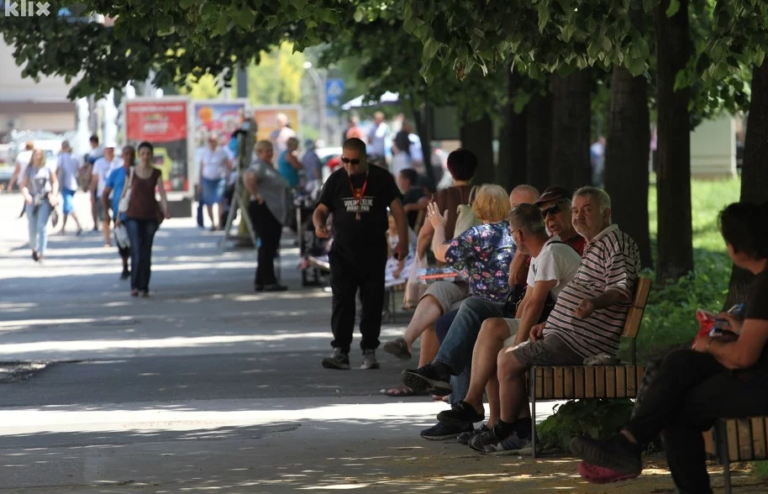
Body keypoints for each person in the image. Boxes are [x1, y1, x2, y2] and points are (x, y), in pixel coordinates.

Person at [570, 201, 768, 490]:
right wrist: (740, 327)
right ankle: (627, 442)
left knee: (676, 409)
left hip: (758, 384)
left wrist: (709, 344)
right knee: (679, 362)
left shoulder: (764, 284)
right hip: (756, 377)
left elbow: (743, 357)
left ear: (735, 248)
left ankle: (628, 443)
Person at [465, 187, 640, 453]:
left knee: (507, 358)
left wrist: (594, 304)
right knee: (504, 353)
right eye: (577, 211)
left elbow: (620, 288)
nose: (579, 216)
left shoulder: (616, 243)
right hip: (571, 334)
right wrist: (549, 323)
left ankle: (506, 428)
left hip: (584, 342)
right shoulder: (595, 244)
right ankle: (516, 431)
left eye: (587, 210)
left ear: (607, 212)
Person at [433, 204, 582, 440]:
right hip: (556, 325)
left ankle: (509, 427)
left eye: (512, 232)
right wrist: (511, 327)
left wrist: (518, 343)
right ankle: (475, 403)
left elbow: (535, 305)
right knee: (491, 327)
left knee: (500, 347)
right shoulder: (541, 254)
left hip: (572, 334)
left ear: (519, 234)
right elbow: (527, 303)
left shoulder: (552, 253)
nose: (512, 238)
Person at [382, 185, 515, 390]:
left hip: (487, 304)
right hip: (508, 300)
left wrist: (438, 226)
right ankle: (439, 374)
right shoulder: (513, 232)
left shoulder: (478, 234)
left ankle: (451, 385)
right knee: (444, 314)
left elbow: (440, 253)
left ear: (477, 208)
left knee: (445, 322)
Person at [313, 137, 408, 371]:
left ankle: (369, 350)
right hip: (343, 252)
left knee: (372, 302)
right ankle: (340, 352)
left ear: (365, 158)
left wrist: (403, 244)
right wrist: (319, 224)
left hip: (373, 250)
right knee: (342, 302)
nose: (349, 166)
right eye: (345, 160)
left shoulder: (381, 178)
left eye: (354, 161)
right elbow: (321, 209)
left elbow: (398, 211)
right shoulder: (336, 179)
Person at [116, 141, 170, 298]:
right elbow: (124, 193)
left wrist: (166, 209)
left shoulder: (156, 173)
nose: (145, 157)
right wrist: (119, 216)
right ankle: (134, 286)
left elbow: (162, 193)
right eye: (142, 154)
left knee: (146, 252)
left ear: (151, 155)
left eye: (148, 154)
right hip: (132, 216)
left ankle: (144, 286)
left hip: (150, 217)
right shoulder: (131, 172)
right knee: (136, 250)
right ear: (139, 156)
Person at [244, 140, 290, 293]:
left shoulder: (268, 166)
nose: (269, 153)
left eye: (270, 150)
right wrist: (257, 195)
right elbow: (249, 177)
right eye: (265, 151)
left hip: (271, 210)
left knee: (268, 246)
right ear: (258, 153)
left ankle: (261, 280)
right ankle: (268, 280)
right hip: (264, 209)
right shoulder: (258, 165)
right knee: (267, 246)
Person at [103, 146, 136, 280]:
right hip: (119, 213)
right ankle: (125, 266)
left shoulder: (138, 172)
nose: (128, 156)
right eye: (126, 153)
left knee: (135, 242)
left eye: (131, 154)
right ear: (122, 156)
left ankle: (135, 266)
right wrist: (106, 213)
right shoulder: (116, 173)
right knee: (121, 241)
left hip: (136, 213)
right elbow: (105, 193)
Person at [20, 149, 58, 262]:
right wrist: (26, 195)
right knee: (32, 227)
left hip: (44, 199)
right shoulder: (29, 169)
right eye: (36, 155)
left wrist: (54, 195)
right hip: (32, 200)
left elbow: (54, 182)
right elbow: (23, 185)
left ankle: (42, 253)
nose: (37, 157)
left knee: (42, 226)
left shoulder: (48, 168)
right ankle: (34, 248)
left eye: (39, 155)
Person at [535, 186, 586, 255]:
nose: (548, 218)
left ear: (573, 208)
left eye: (554, 209)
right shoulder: (544, 245)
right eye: (543, 214)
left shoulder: (590, 243)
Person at [199, 133, 231, 231]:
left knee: (219, 201)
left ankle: (220, 224)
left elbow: (228, 166)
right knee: (209, 202)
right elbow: (201, 168)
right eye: (210, 141)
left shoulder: (222, 152)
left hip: (219, 179)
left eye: (214, 141)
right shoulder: (204, 152)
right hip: (207, 179)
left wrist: (229, 179)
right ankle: (213, 223)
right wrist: (199, 182)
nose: (212, 143)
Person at [91, 144, 121, 245]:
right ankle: (107, 240)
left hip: (116, 195)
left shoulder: (119, 162)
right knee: (104, 218)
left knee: (117, 218)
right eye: (107, 149)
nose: (109, 151)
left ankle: (119, 238)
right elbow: (94, 180)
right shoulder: (98, 163)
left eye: (111, 149)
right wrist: (92, 194)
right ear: (104, 151)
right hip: (102, 194)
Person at [56, 141, 84, 235]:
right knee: (66, 206)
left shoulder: (61, 157)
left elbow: (57, 170)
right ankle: (63, 228)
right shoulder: (76, 157)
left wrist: (55, 184)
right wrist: (82, 183)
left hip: (65, 184)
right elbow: (79, 171)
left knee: (68, 206)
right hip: (73, 185)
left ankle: (79, 225)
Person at [85, 135, 104, 232]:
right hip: (104, 180)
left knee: (93, 202)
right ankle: (104, 222)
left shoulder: (93, 153)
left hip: (95, 181)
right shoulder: (103, 151)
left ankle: (96, 224)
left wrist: (87, 181)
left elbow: (90, 169)